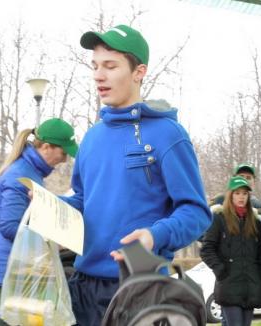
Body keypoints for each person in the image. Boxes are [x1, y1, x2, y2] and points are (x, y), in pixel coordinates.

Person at [59, 24, 212, 325]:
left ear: (138, 72)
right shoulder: (91, 138)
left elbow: (197, 212)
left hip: (142, 289)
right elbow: (83, 201)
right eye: (95, 66)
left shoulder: (168, 134)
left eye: (110, 66)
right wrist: (47, 208)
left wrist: (155, 236)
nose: (98, 75)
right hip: (83, 290)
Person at [0, 118, 78, 326]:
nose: (64, 160)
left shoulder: (31, 173)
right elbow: (9, 226)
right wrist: (51, 239)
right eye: (63, 153)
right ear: (46, 147)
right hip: (6, 278)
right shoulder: (19, 176)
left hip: (19, 273)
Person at [200, 176, 261, 326]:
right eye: (237, 193)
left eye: (244, 193)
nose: (241, 197)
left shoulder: (256, 221)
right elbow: (206, 249)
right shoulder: (219, 218)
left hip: (251, 285)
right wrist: (220, 270)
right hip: (229, 285)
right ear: (230, 195)